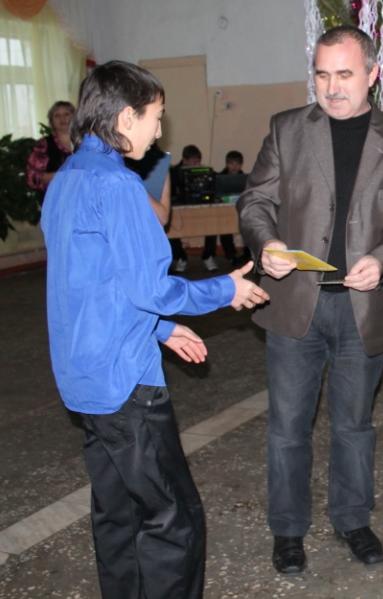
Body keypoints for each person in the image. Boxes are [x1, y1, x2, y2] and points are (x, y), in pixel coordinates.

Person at [40, 61, 268, 599]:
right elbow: (151, 289)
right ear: (126, 117)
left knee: (117, 512)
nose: (159, 131)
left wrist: (162, 330)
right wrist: (225, 290)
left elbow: (95, 283)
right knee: (173, 519)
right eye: (155, 117)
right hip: (126, 384)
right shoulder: (118, 185)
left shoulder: (65, 181)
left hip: (83, 378)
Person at [237, 25, 383, 576]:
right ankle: (288, 529)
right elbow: (255, 201)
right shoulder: (287, 131)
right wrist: (267, 243)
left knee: (354, 425)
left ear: (372, 74)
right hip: (293, 306)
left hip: (361, 310)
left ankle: (352, 519)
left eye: (344, 74)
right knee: (287, 428)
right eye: (322, 74)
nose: (331, 87)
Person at [202, 150, 246, 269]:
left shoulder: (245, 179)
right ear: (227, 164)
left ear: (241, 165)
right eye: (231, 163)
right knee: (214, 228)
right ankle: (210, 256)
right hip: (220, 211)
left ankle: (238, 255)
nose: (234, 167)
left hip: (238, 211)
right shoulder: (219, 177)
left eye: (237, 163)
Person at [26, 101, 75, 193]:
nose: (62, 118)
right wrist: (61, 175)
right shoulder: (44, 144)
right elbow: (32, 177)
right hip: (55, 197)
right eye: (57, 115)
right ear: (51, 121)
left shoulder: (86, 142)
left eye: (66, 114)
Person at [168, 144, 203, 272]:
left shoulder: (201, 172)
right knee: (171, 229)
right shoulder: (173, 173)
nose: (197, 165)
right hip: (178, 208)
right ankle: (181, 257)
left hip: (197, 206)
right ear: (185, 160)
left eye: (198, 162)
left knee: (214, 224)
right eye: (194, 162)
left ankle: (208, 256)